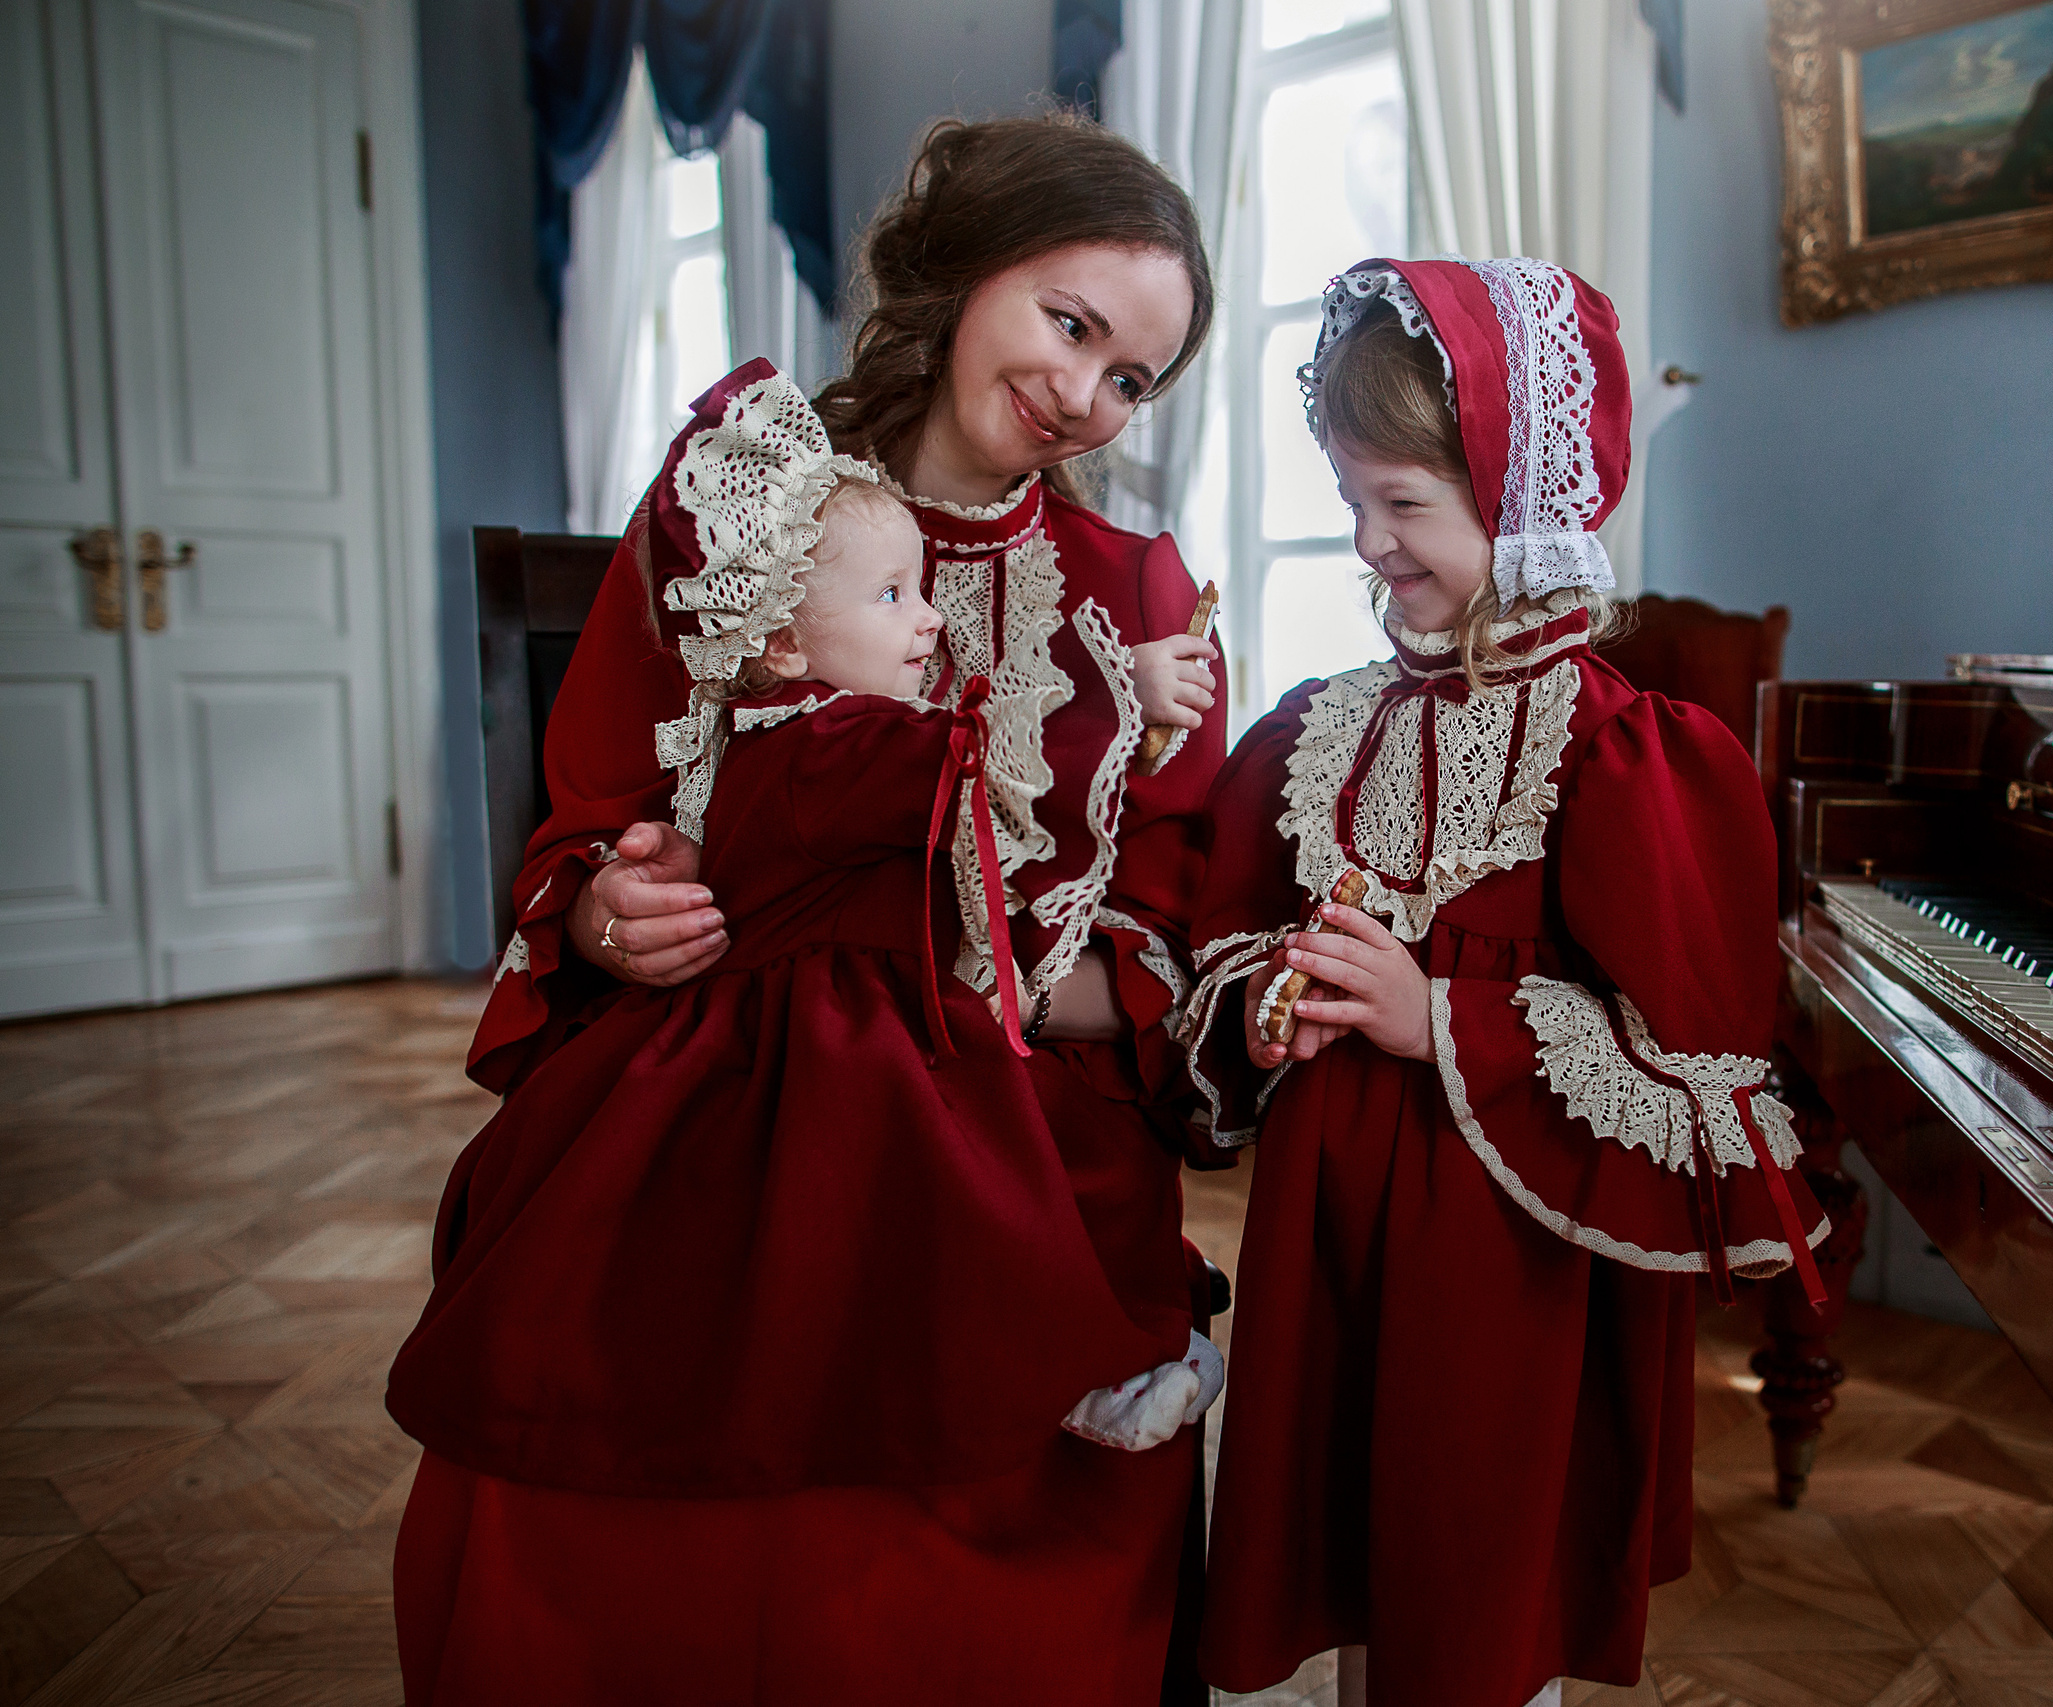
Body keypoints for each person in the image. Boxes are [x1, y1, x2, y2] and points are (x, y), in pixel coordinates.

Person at [448, 114, 1229, 1700]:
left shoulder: (1137, 599)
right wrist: (609, 910)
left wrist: (995, 981)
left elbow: (1164, 918)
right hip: (726, 1090)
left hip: (1017, 1105)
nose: (1086, 394)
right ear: (965, 271)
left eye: (1132, 376)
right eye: (1069, 323)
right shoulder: (743, 505)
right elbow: (594, 808)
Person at [1179, 259, 1832, 1707]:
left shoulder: (1629, 751)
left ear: (1527, 502)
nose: (1369, 544)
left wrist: (1442, 1018)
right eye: (1352, 500)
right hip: (1331, 1230)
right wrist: (1269, 1000)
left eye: (1404, 506)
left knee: (1470, 1579)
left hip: (1502, 1257)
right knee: (1353, 1557)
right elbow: (1222, 933)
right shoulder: (1316, 730)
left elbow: (1692, 1061)